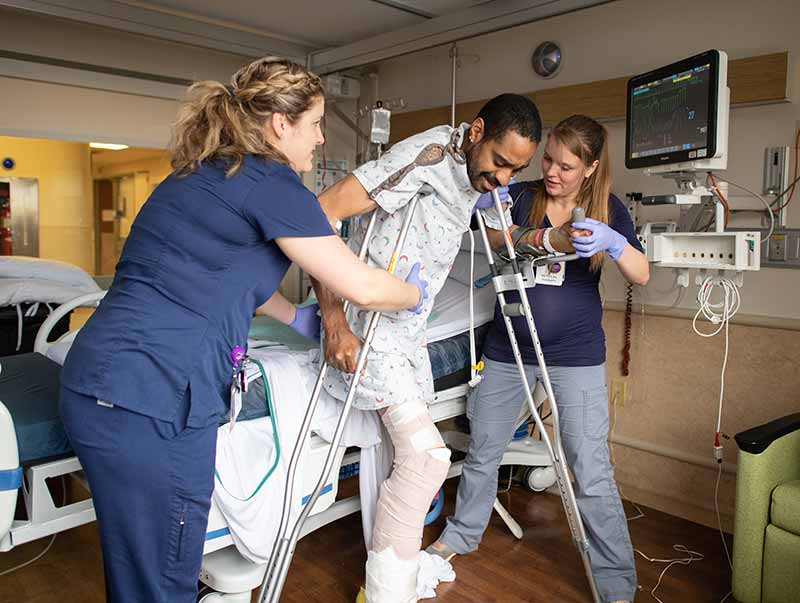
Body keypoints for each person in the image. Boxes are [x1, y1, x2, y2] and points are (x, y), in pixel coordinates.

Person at [58, 57, 428, 602]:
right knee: (160, 581)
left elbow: (223, 276)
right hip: (153, 400)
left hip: (101, 386)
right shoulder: (273, 183)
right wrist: (413, 294)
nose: (322, 139)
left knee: (138, 571)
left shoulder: (201, 173)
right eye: (318, 123)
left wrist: (293, 316)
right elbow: (365, 288)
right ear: (281, 124)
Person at [314, 94, 555, 602]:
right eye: (499, 163)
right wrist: (334, 320)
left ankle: (385, 583)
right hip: (369, 329)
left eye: (517, 169)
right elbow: (323, 212)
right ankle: (384, 594)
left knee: (413, 462)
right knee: (426, 459)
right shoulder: (423, 158)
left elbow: (504, 227)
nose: (505, 178)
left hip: (408, 336)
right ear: (475, 132)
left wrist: (551, 237)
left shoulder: (476, 176)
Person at [428, 114, 649, 603]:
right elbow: (483, 243)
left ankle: (615, 582)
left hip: (576, 355)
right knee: (483, 449)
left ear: (589, 169)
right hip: (508, 348)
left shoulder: (606, 209)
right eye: (548, 158)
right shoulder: (522, 195)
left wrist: (615, 244)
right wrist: (488, 213)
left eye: (566, 166)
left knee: (589, 468)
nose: (552, 171)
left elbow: (641, 273)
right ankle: (461, 535)